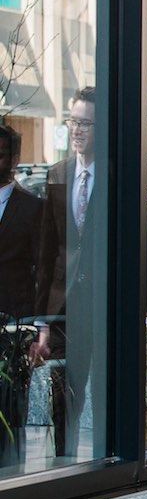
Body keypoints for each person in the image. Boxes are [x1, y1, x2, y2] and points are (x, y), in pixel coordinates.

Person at [33, 87, 101, 457]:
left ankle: (104, 478)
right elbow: (46, 254)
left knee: (106, 401)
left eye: (85, 123)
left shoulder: (114, 175)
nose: (76, 130)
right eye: (73, 121)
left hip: (100, 310)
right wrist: (42, 322)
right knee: (63, 403)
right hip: (61, 314)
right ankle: (65, 473)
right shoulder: (57, 174)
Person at [0, 123, 41, 324]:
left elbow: (43, 270)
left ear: (14, 161)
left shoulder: (32, 209)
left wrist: (40, 325)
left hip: (14, 325)